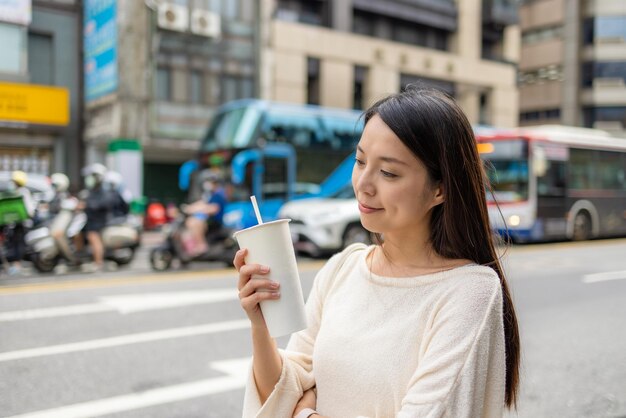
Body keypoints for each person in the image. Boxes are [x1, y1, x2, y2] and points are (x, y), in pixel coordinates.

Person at [234, 87, 520, 418]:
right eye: (360, 160)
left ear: (440, 188)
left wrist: (304, 414)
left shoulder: (470, 291)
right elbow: (284, 391)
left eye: (388, 172)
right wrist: (260, 326)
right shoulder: (343, 267)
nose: (363, 184)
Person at [182, 170, 228, 257]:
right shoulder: (209, 195)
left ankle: (201, 246)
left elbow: (213, 208)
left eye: (211, 181)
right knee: (190, 223)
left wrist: (196, 210)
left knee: (194, 222)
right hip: (209, 221)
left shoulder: (218, 195)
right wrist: (188, 208)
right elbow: (201, 204)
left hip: (214, 222)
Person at [78, 163, 112, 272]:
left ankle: (98, 263)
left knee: (94, 238)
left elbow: (103, 204)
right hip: (89, 220)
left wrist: (87, 205)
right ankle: (79, 259)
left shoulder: (103, 191)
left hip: (98, 221)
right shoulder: (91, 191)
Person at [5, 171, 36, 275]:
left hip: (22, 224)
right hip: (12, 223)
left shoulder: (23, 193)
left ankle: (17, 265)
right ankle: (14, 264)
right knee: (13, 243)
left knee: (19, 244)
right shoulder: (11, 193)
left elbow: (29, 210)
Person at [48, 172, 78, 264]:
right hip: (56, 220)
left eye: (55, 185)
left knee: (58, 235)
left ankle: (70, 257)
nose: (54, 187)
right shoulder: (55, 196)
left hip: (67, 222)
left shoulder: (66, 196)